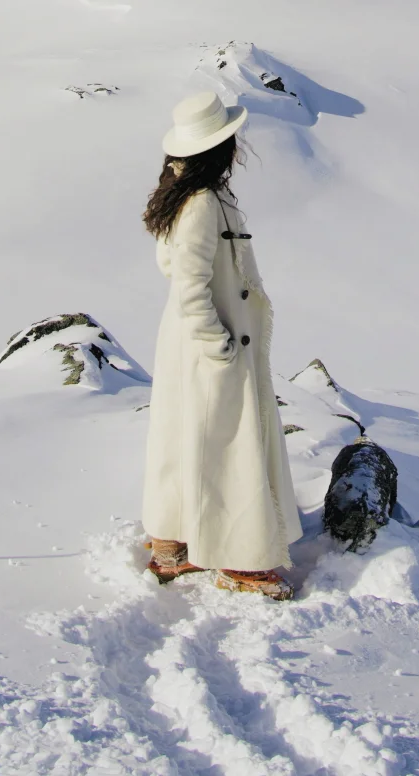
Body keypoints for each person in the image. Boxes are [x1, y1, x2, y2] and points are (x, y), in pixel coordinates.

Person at [141, 90, 302, 600]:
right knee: (231, 449)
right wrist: (219, 348)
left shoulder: (185, 193)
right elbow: (190, 285)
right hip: (209, 346)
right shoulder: (202, 203)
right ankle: (240, 561)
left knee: (185, 438)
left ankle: (171, 545)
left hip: (188, 344)